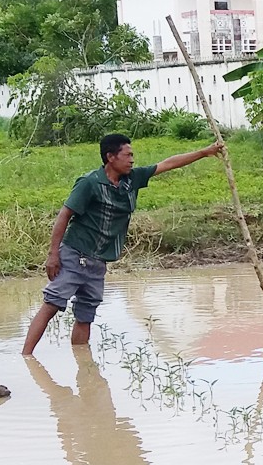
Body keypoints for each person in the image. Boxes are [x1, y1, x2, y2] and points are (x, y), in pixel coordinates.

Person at [21, 133, 223, 356]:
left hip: (98, 262)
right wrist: (53, 254)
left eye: (132, 155)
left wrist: (205, 152)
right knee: (52, 304)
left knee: (85, 316)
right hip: (75, 254)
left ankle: (83, 364)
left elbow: (168, 164)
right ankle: (26, 357)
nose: (132, 160)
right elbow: (64, 215)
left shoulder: (131, 180)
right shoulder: (89, 183)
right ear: (110, 157)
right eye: (127, 155)